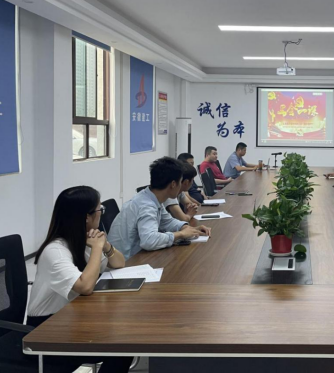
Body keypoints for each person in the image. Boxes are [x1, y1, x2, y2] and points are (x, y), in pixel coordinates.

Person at [28, 186, 133, 372]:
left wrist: (105, 246)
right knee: (122, 344)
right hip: (47, 329)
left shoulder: (84, 239)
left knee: (126, 334)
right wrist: (97, 248)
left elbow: (119, 263)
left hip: (73, 319)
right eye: (100, 210)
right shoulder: (55, 251)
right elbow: (85, 286)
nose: (101, 214)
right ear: (87, 217)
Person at [108, 157, 211, 260]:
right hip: (126, 261)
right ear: (173, 184)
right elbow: (149, 241)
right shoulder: (146, 205)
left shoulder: (152, 197)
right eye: (180, 182)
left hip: (136, 256)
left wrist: (187, 228)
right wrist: (180, 234)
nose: (180, 186)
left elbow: (167, 221)